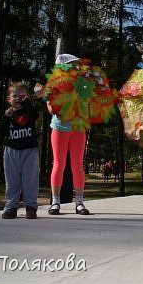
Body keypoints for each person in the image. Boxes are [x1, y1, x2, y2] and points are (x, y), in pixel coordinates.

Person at [47, 54, 90, 216]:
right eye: (72, 66)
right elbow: (51, 109)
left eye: (75, 66)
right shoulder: (53, 85)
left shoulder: (81, 84)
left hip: (78, 128)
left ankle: (79, 202)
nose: (75, 68)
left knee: (77, 165)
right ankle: (55, 202)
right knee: (59, 164)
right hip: (59, 128)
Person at [0, 82, 40, 219]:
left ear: (27, 97)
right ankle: (11, 207)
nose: (18, 98)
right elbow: (2, 132)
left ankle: (31, 207)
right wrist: (6, 117)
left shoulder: (28, 111)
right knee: (12, 181)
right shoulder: (8, 114)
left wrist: (26, 102)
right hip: (11, 151)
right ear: (8, 99)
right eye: (14, 96)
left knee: (30, 180)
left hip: (30, 151)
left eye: (21, 96)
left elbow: (34, 116)